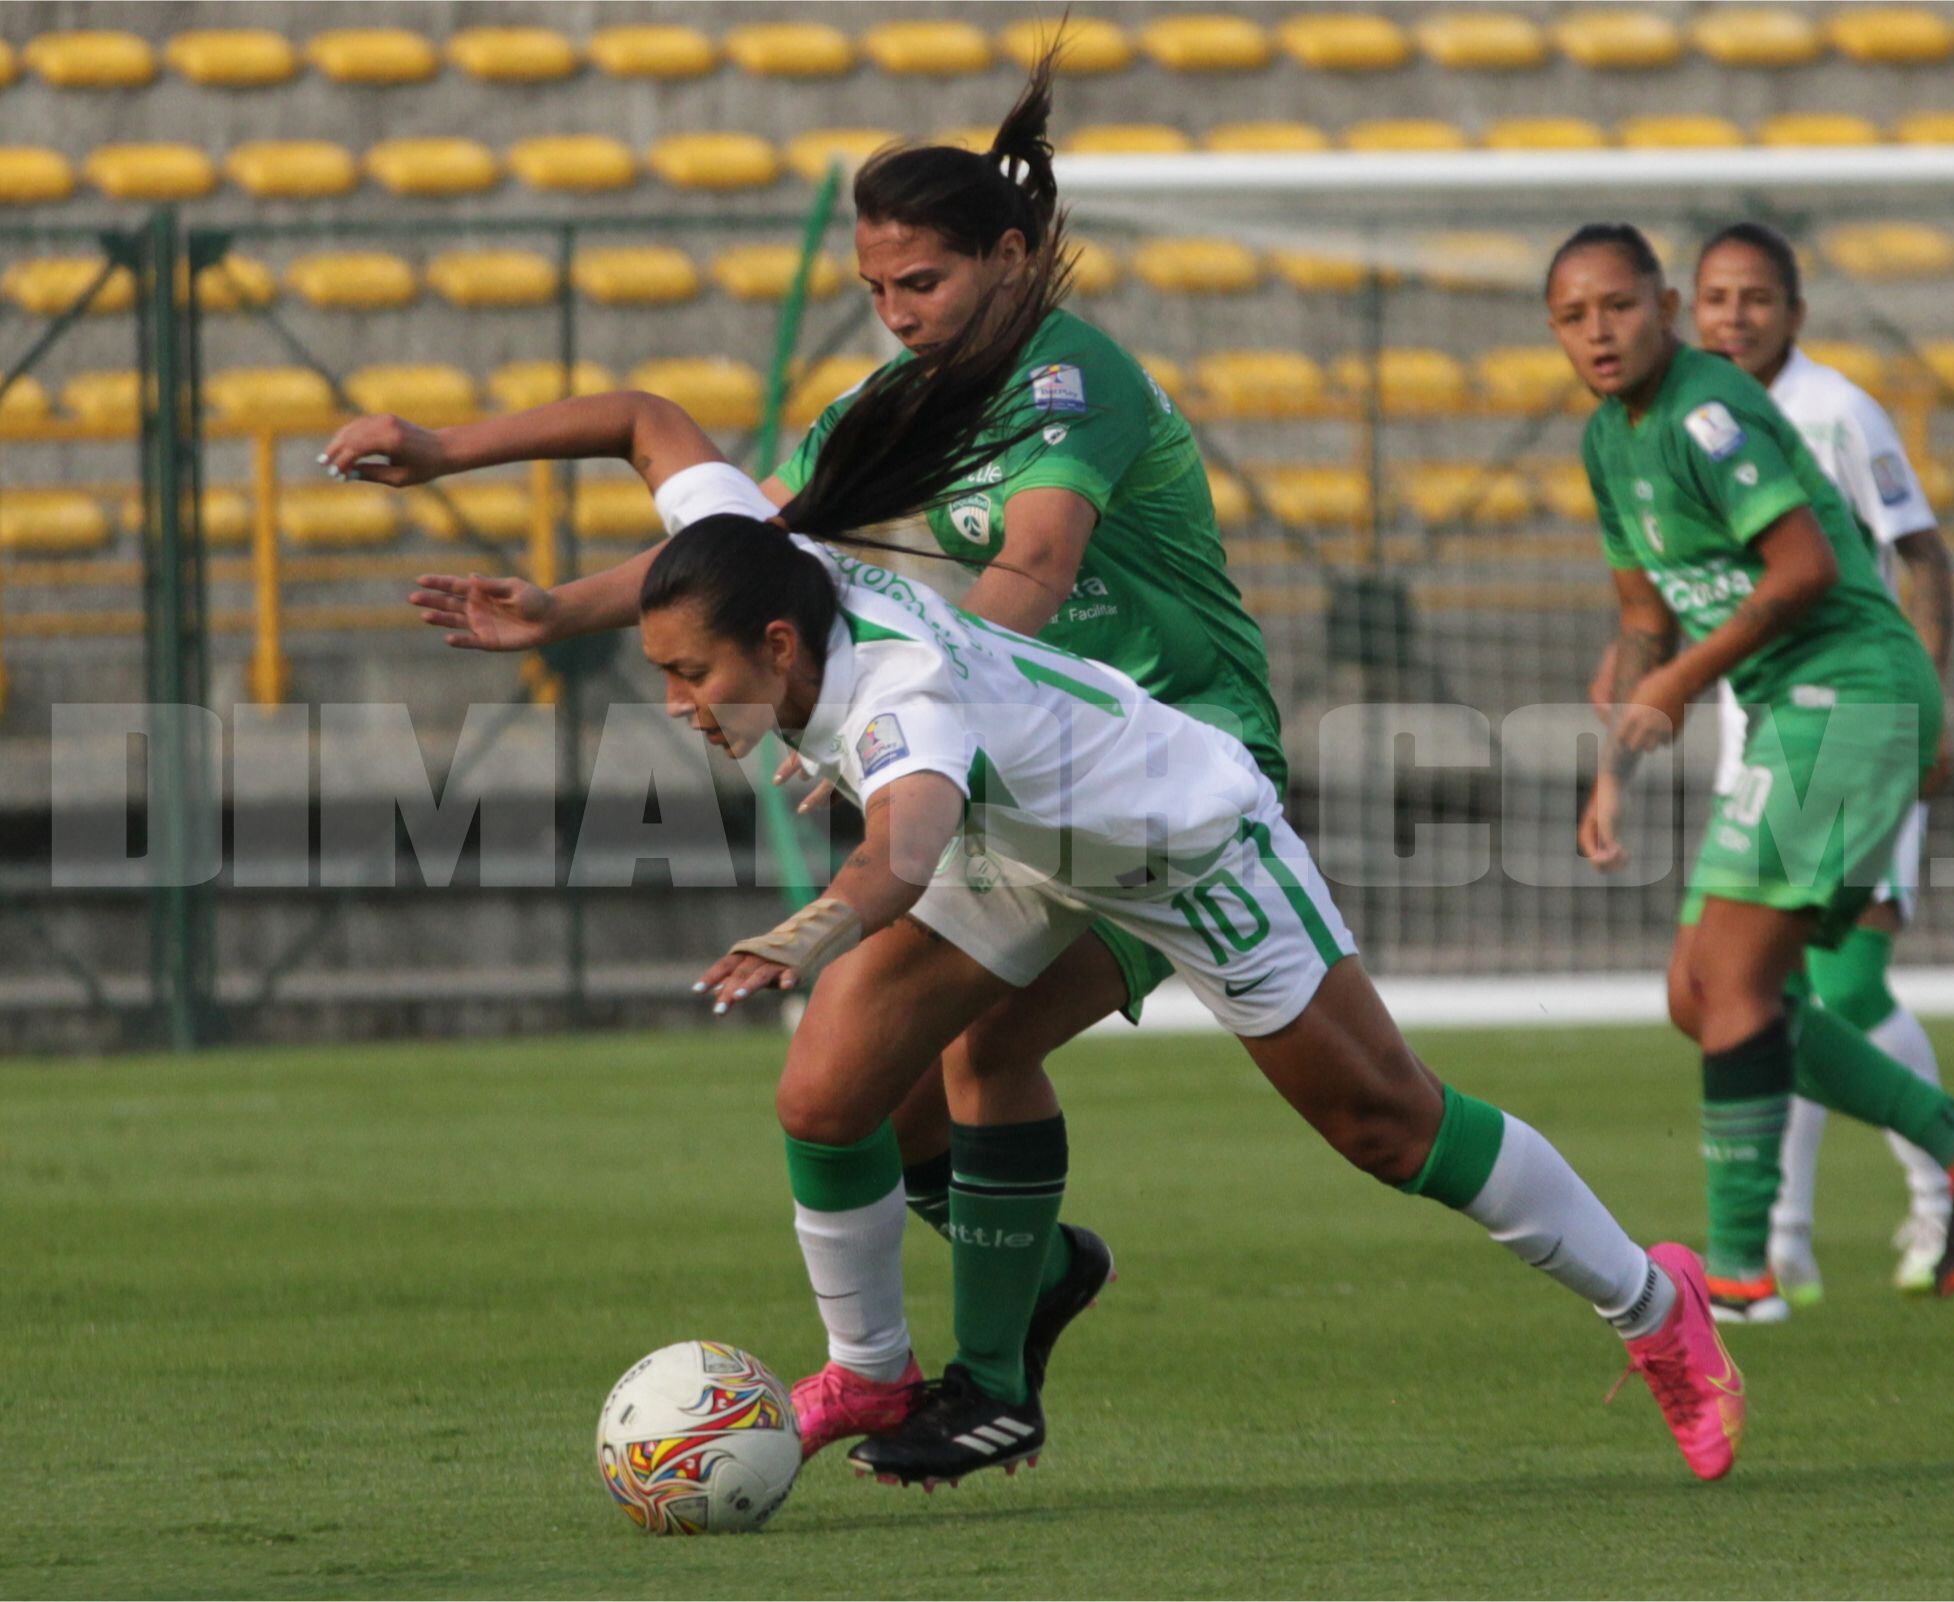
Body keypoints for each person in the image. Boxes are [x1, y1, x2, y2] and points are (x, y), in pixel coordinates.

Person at [325, 236, 1749, 1490]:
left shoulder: (900, 701)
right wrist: (448, 457)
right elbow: (645, 420)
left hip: (1186, 837)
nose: (682, 703)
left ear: (774, 646)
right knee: (830, 1090)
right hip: (1028, 836)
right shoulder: (770, 570)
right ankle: (881, 1368)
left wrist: (802, 935)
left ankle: (1652, 1302)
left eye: (693, 677)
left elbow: (903, 848)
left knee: (1388, 1125)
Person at [387, 51, 1283, 1459]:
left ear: (1007, 258)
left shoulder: (1073, 376)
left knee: (990, 1050)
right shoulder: (892, 408)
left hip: (1168, 781)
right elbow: (759, 558)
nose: (895, 312)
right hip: (994, 793)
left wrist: (918, 703)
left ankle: (993, 1379)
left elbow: (1037, 568)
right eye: (874, 289)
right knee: (853, 1081)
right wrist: (562, 605)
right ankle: (1016, 1292)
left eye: (917, 283)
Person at [1546, 221, 1954, 1323]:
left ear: (1664, 307)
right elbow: (1642, 618)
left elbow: (1808, 568)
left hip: (1851, 694)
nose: (1600, 333)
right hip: (1793, 711)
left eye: (1619, 307)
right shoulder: (1607, 441)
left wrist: (1679, 685)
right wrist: (1614, 765)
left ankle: (1742, 1272)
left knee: (1733, 985)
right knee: (1700, 990)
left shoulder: (1710, 411)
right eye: (1574, 318)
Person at [1690, 221, 1954, 1302]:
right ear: (1691, 309)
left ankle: (1950, 1186)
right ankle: (1785, 1242)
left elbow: (1922, 555)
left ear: (1794, 313)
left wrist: (1927, 713)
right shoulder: (1694, 421)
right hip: (1755, 741)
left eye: (1758, 297)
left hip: (1855, 730)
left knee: (1838, 985)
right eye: (1718, 297)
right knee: (1756, 990)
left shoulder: (1837, 412)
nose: (1737, 316)